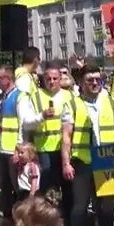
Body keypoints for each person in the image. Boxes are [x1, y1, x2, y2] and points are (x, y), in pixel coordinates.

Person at [59, 65, 114, 226]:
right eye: (90, 80)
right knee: (80, 206)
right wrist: (66, 163)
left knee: (106, 206)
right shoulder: (72, 104)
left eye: (97, 79)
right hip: (82, 162)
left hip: (107, 161)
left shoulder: (112, 103)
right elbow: (66, 136)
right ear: (81, 82)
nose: (95, 83)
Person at [21, 68, 71, 201]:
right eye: (48, 79)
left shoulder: (69, 96)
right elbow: (26, 123)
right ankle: (47, 217)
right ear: (43, 80)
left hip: (64, 149)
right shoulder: (36, 96)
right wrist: (41, 116)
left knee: (67, 186)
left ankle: (64, 218)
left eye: (55, 78)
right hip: (44, 150)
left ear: (60, 79)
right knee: (46, 188)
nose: (52, 81)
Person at [0, 65, 23, 226]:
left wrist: (19, 148)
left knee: (18, 187)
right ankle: (7, 216)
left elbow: (22, 123)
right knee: (4, 186)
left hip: (12, 149)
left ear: (8, 78)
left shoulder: (20, 97)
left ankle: (21, 222)